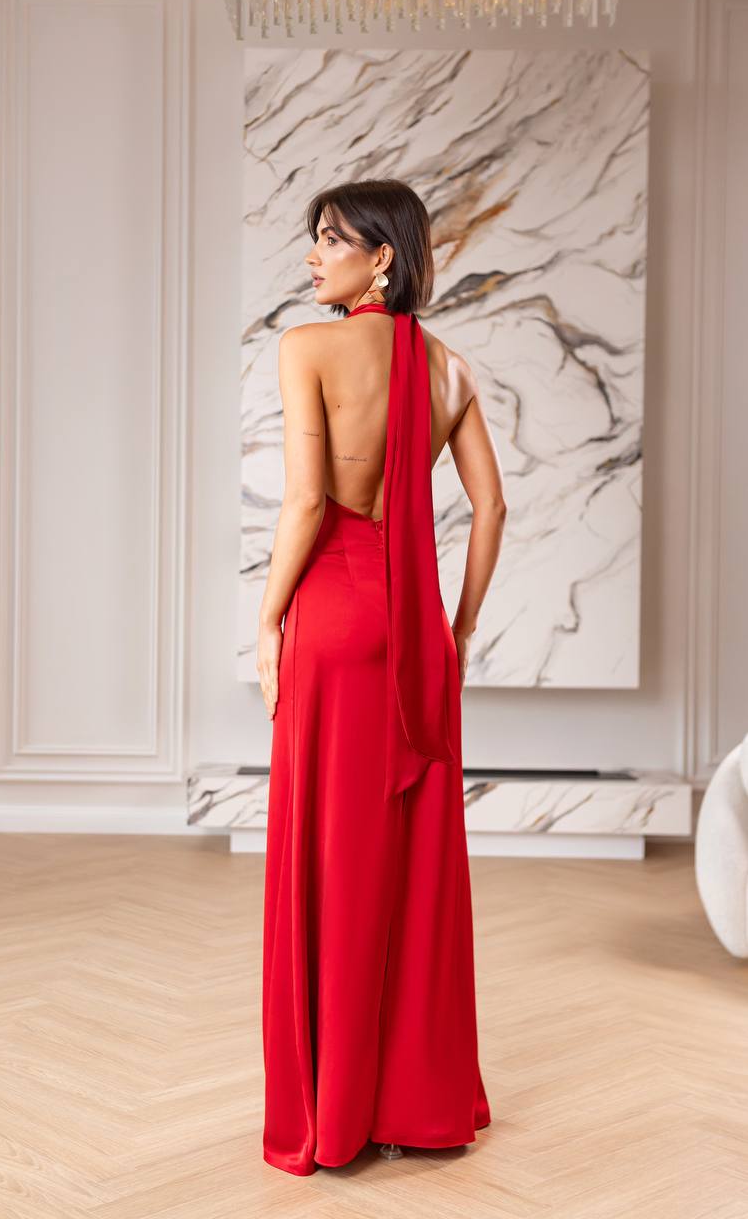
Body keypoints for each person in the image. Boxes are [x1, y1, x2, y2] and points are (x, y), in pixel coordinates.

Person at [256, 178, 506, 1176]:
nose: (313, 257)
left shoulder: (304, 347)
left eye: (330, 240)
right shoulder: (445, 367)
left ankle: (334, 1111)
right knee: (404, 868)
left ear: (381, 258)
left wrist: (268, 614)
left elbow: (309, 500)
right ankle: (412, 1102)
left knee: (327, 859)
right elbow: (490, 510)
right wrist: (455, 626)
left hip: (332, 617)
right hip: (411, 635)